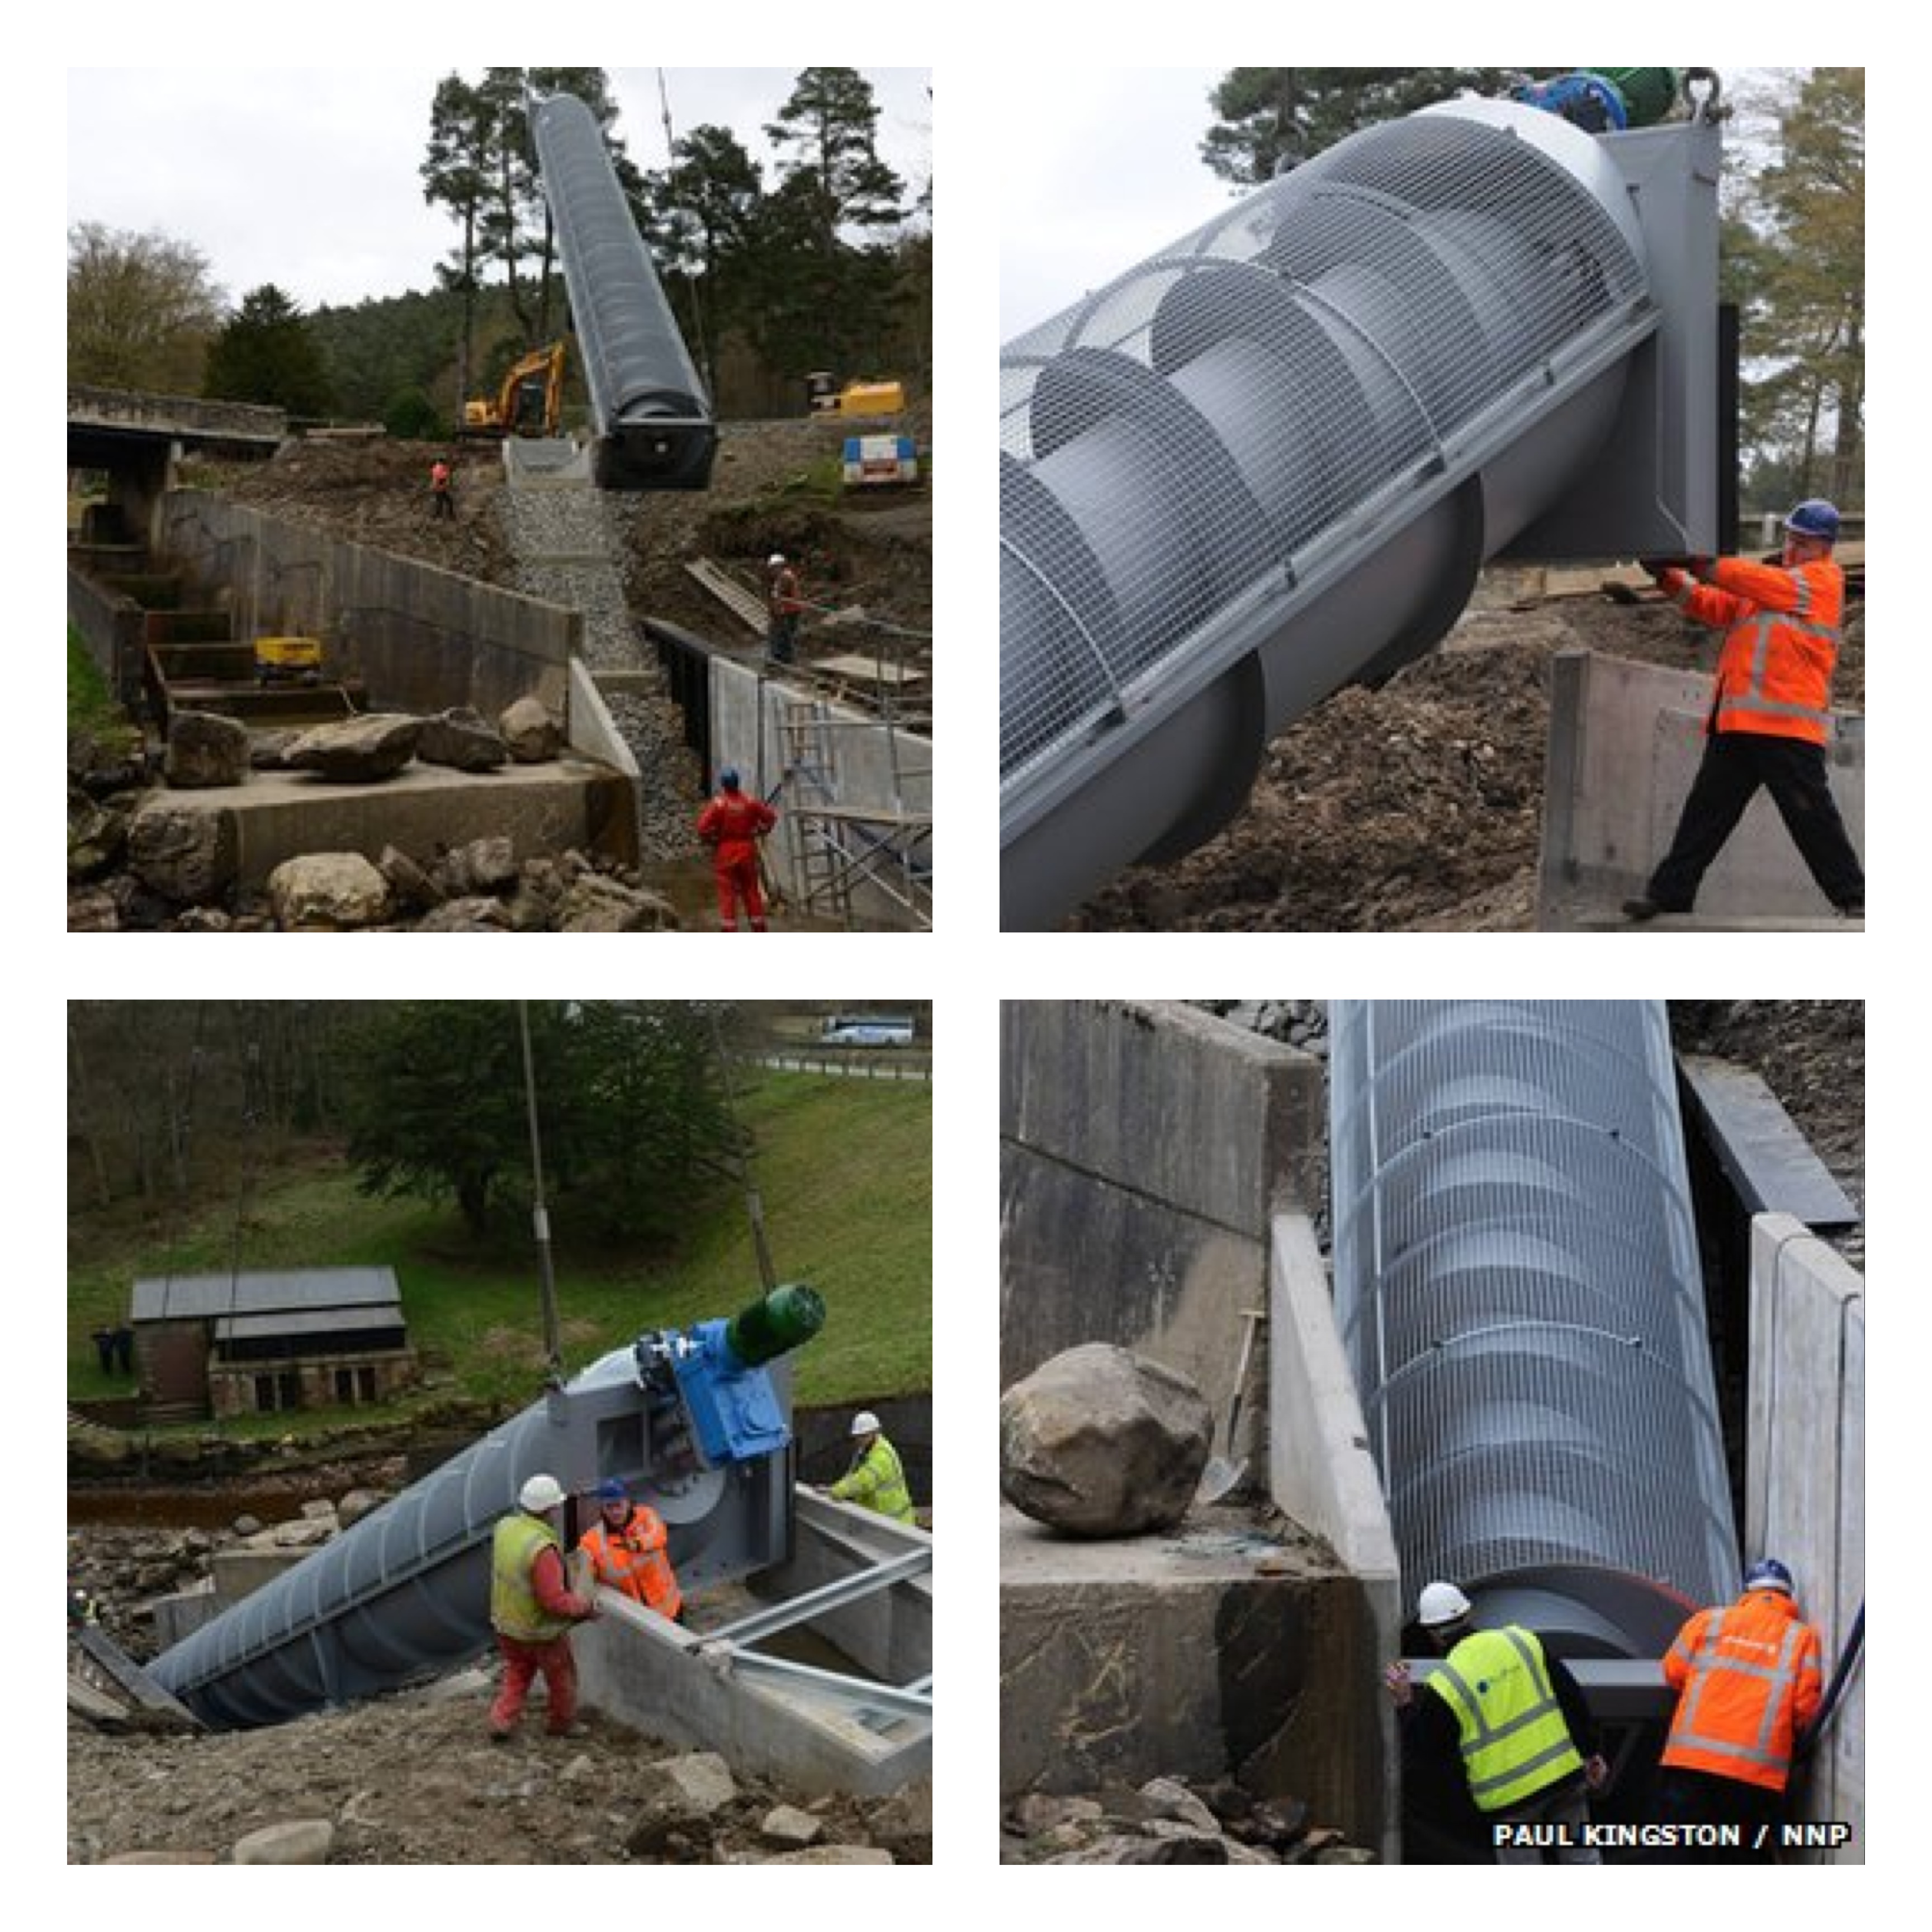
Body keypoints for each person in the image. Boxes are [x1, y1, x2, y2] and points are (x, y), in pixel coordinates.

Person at [1624, 499, 1863, 921]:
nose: (1793, 549)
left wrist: (1699, 561)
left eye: (1804, 543)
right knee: (1705, 816)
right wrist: (1668, 577)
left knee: (1811, 819)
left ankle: (1855, 900)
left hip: (1787, 728)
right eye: (1791, 539)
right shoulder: (1764, 591)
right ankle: (1670, 894)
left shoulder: (1820, 581)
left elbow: (1743, 577)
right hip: (1738, 725)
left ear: (1824, 548)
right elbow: (1710, 603)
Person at [1384, 1580, 1608, 1864]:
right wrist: (1590, 1752)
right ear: (1469, 1615)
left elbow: (1425, 1750)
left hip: (1511, 1802)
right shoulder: (1522, 1642)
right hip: (1563, 1777)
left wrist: (1405, 1703)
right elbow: (1571, 1697)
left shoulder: (1447, 1684)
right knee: (1583, 1861)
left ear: (1434, 1635)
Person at [1649, 1558, 1824, 1860]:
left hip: (1691, 1761)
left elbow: (1672, 1671)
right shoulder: (1801, 1638)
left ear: (1746, 1592)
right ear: (1788, 1597)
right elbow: (1805, 1709)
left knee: (1680, 1853)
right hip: (1755, 1773)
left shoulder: (1709, 1621)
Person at [487, 1472, 598, 1741]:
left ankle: (501, 1720)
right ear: (549, 1509)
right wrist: (584, 1608)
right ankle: (562, 1724)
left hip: (506, 1623)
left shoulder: (505, 1527)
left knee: (518, 1671)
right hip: (539, 1631)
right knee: (562, 1677)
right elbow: (554, 1601)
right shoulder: (541, 1549)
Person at [575, 1477, 684, 1624]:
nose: (615, 1512)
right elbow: (583, 1577)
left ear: (628, 1502)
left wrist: (637, 1544)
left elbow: (659, 1535)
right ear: (602, 1508)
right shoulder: (592, 1541)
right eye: (609, 1507)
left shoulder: (647, 1516)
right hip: (637, 1620)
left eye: (619, 1505)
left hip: (670, 1611)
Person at [696, 766, 778, 932]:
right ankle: (759, 928)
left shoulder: (719, 804)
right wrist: (761, 830)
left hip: (726, 851)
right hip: (747, 850)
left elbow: (702, 828)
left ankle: (730, 930)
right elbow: (770, 818)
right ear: (737, 783)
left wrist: (712, 839)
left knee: (727, 894)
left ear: (723, 785)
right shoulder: (750, 801)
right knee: (751, 891)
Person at [826, 1410, 916, 1523]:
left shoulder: (881, 1457)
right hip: (880, 1519)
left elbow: (863, 1482)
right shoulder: (864, 1450)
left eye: (864, 1436)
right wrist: (834, 1488)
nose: (860, 1440)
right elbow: (852, 1475)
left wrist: (836, 1491)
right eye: (858, 1436)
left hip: (897, 1523)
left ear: (876, 1432)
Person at [765, 552, 802, 664]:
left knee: (782, 634)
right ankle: (782, 658)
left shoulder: (786, 577)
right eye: (771, 569)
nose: (772, 571)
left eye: (773, 568)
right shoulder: (782, 576)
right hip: (788, 611)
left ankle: (782, 659)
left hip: (788, 612)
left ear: (780, 566)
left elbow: (780, 596)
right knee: (781, 634)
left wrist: (775, 611)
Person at [430, 456, 456, 521]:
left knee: (441, 502)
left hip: (439, 487)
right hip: (440, 487)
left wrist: (434, 486)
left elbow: (435, 478)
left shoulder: (436, 468)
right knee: (447, 501)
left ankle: (438, 515)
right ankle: (449, 515)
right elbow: (441, 478)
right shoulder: (442, 468)